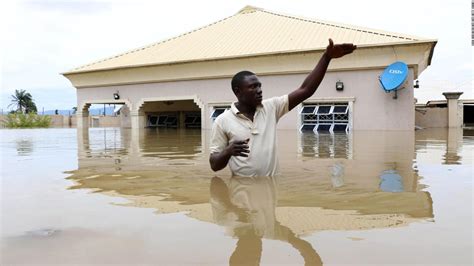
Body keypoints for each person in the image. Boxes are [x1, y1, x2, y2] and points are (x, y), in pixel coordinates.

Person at [209, 39, 356, 177]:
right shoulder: (222, 121)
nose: (259, 90)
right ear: (238, 91)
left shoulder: (271, 108)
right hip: (240, 193)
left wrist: (326, 58)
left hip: (269, 193)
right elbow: (214, 165)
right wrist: (228, 151)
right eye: (253, 87)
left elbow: (306, 90)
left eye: (259, 86)